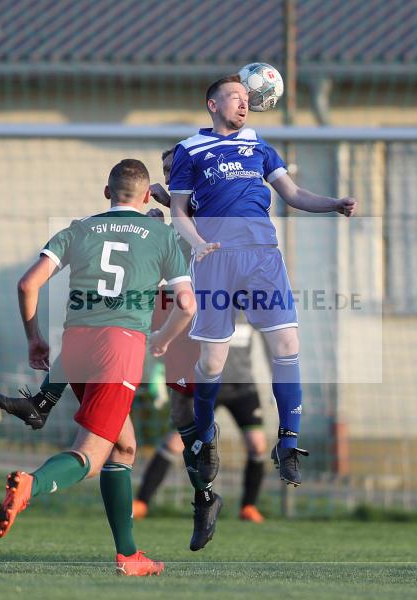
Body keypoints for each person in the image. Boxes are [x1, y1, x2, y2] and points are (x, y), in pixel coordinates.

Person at [0, 149, 225, 552]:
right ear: (147, 197)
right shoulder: (162, 235)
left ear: (107, 192)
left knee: (123, 447)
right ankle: (32, 483)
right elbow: (187, 304)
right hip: (119, 349)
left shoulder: (78, 230)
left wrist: (34, 338)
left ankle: (128, 554)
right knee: (90, 455)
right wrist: (164, 338)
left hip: (75, 347)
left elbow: (27, 284)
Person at [168, 74, 357, 488]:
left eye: (246, 97)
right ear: (213, 105)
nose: (244, 103)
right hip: (216, 259)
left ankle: (287, 443)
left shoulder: (260, 147)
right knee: (212, 362)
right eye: (234, 96)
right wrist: (198, 243)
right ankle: (204, 437)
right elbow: (178, 208)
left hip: (263, 258)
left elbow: (294, 193)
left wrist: (333, 204)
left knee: (288, 345)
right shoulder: (190, 149)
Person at [135, 148, 268, 524]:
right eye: (166, 170)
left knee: (257, 443)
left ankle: (249, 506)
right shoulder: (182, 243)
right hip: (198, 367)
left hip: (238, 378)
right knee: (177, 440)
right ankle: (142, 502)